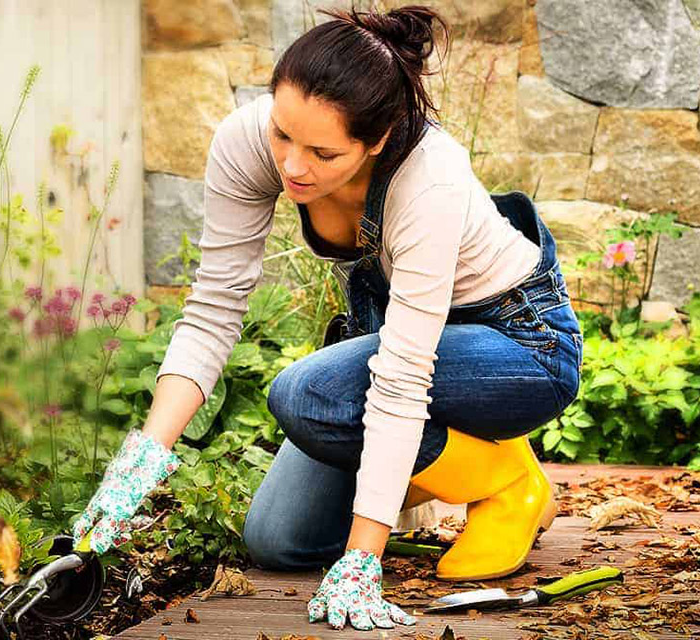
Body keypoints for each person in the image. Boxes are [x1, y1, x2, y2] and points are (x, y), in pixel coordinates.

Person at [72, 3, 583, 633]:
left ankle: (506, 481)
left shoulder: (430, 179)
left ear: (379, 138)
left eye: (322, 152)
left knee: (308, 394)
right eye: (283, 134)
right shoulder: (250, 141)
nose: (292, 165)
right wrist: (143, 459)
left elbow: (400, 377)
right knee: (279, 542)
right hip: (404, 340)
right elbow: (213, 306)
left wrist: (362, 562)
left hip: (519, 346)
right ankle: (468, 461)